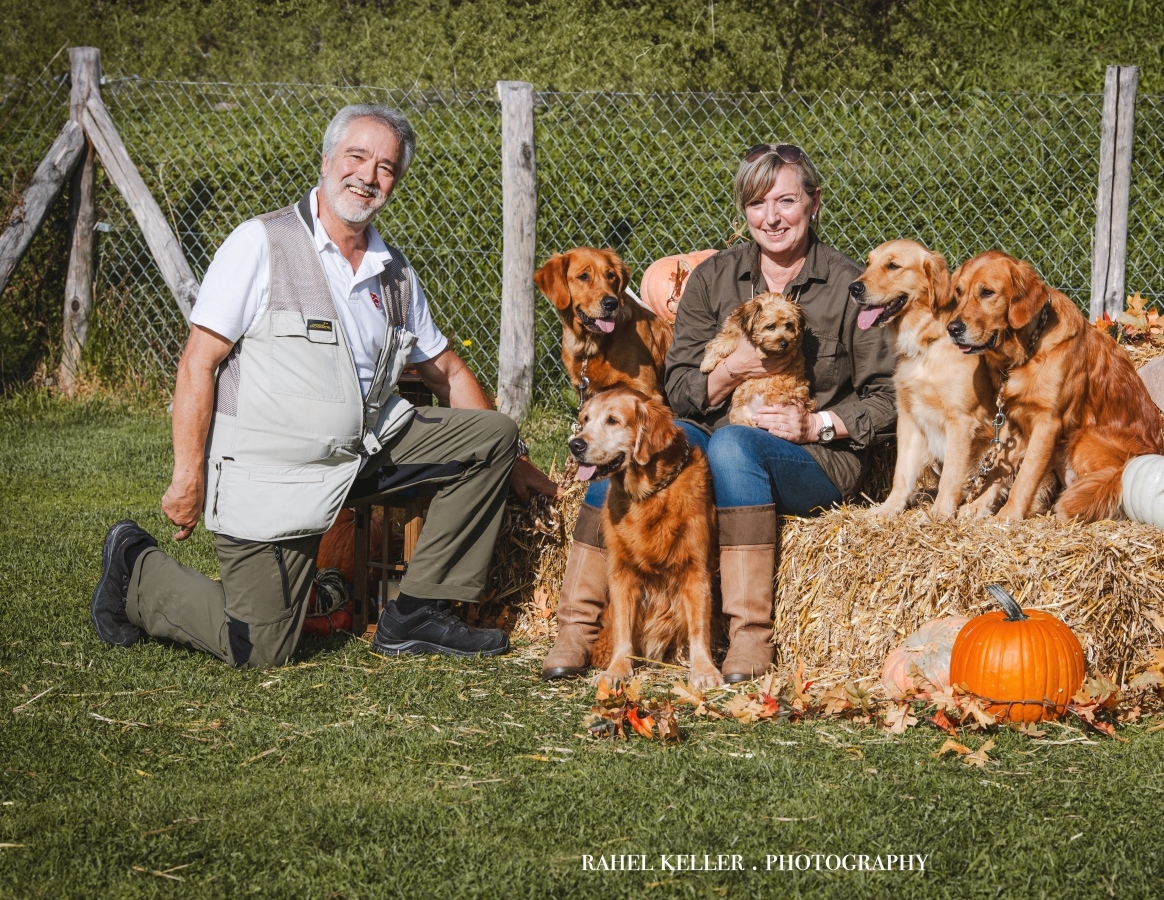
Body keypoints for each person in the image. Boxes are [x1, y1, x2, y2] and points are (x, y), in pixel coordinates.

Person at [89, 103, 558, 667]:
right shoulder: (261, 243)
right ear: (327, 160)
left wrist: (519, 462)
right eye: (357, 156)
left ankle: (417, 615)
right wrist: (187, 476)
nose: (368, 175)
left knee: (492, 437)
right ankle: (136, 569)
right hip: (274, 475)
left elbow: (448, 371)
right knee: (260, 646)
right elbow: (197, 363)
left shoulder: (396, 272)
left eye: (386, 167)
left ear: (396, 182)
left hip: (364, 451)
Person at [542, 142, 896, 683]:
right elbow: (681, 388)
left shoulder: (850, 287)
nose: (771, 218)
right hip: (714, 433)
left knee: (733, 445)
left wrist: (819, 423)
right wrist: (732, 369)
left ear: (814, 203)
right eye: (757, 204)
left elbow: (889, 397)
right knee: (627, 444)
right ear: (744, 211)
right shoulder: (713, 278)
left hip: (814, 455)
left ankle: (748, 638)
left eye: (785, 202)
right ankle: (579, 629)